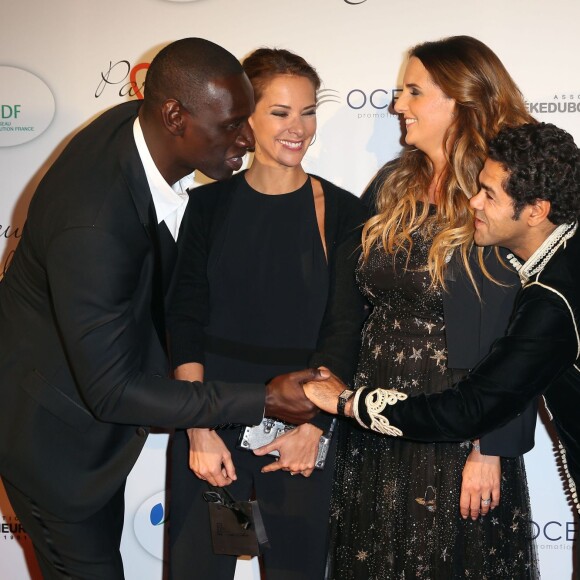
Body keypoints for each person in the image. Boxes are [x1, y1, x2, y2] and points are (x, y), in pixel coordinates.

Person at [0, 38, 320, 580]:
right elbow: (114, 389)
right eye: (232, 125)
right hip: (55, 448)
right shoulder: (94, 222)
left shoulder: (138, 127)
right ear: (174, 116)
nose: (248, 138)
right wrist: (264, 398)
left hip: (87, 431)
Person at [304, 120, 580, 565]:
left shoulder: (552, 299)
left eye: (489, 194)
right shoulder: (563, 263)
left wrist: (347, 402)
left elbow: (467, 411)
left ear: (535, 210)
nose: (473, 201)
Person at [319, 36, 539, 579]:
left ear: (462, 100)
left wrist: (491, 449)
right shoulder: (392, 184)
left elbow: (525, 333)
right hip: (373, 420)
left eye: (414, 91)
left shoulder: (501, 194)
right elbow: (348, 303)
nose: (398, 105)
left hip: (459, 426)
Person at [167, 48, 366, 579]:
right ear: (247, 117)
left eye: (307, 111)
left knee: (295, 571)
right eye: (280, 112)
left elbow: (346, 326)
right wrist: (198, 429)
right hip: (215, 427)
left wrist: (316, 425)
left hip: (299, 429)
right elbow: (185, 318)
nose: (297, 127)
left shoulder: (345, 212)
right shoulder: (206, 208)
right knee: (203, 567)